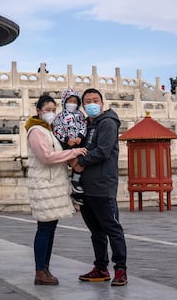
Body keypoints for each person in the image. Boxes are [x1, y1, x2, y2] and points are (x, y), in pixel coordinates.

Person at [25, 94, 87, 286]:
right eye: (47, 110)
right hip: (44, 186)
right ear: (38, 111)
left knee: (49, 229)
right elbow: (47, 157)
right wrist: (74, 152)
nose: (51, 113)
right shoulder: (36, 131)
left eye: (53, 110)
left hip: (53, 186)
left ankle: (44, 268)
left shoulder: (49, 131)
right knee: (44, 229)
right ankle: (40, 270)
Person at [72, 88, 128, 287]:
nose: (91, 103)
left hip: (103, 185)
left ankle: (120, 269)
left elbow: (103, 151)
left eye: (95, 100)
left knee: (112, 228)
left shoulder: (108, 123)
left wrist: (80, 161)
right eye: (87, 101)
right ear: (84, 106)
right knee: (96, 231)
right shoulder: (86, 124)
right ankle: (101, 267)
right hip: (86, 186)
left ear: (102, 103)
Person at [51, 88, 87, 204]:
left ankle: (76, 184)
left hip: (78, 142)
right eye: (70, 101)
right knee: (73, 161)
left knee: (81, 162)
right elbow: (57, 129)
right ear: (64, 101)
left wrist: (80, 137)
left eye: (75, 101)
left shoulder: (80, 115)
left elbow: (83, 126)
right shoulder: (59, 117)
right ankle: (71, 187)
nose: (72, 104)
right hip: (66, 144)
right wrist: (66, 139)